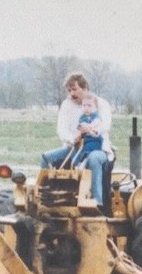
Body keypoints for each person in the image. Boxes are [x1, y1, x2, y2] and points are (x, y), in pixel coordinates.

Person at [40, 73, 113, 207]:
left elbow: (105, 125)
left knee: (94, 159)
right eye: (69, 90)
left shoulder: (100, 103)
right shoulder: (66, 105)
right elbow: (61, 129)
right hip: (73, 148)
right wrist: (73, 138)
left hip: (96, 147)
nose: (71, 94)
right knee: (46, 158)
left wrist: (91, 129)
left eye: (74, 89)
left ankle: (97, 202)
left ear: (85, 87)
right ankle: (46, 198)